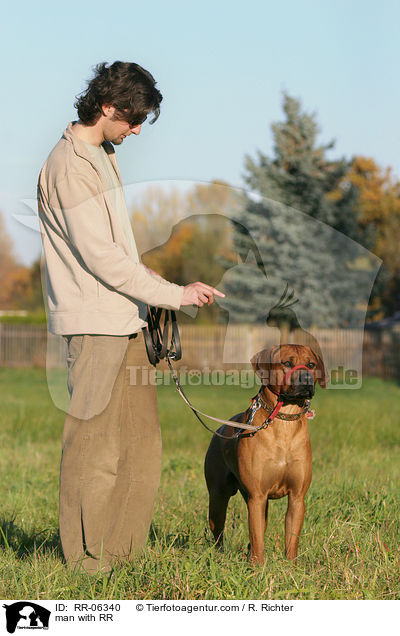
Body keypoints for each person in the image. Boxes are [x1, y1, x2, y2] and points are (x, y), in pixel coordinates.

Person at [37, 61, 224, 574]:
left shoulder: (103, 154)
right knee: (93, 449)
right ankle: (86, 564)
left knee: (141, 447)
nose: (138, 128)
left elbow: (117, 251)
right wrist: (174, 292)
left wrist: (155, 298)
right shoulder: (70, 165)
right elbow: (100, 257)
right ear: (106, 106)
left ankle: (123, 556)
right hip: (93, 325)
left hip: (127, 320)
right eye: (133, 117)